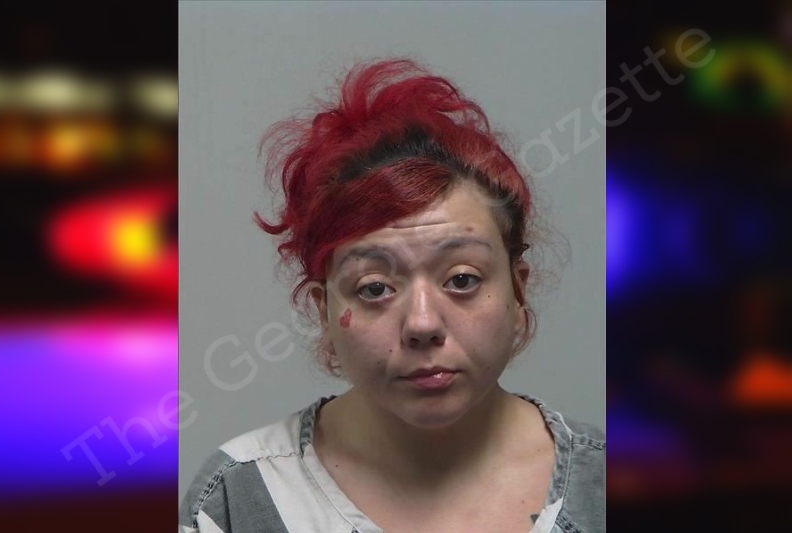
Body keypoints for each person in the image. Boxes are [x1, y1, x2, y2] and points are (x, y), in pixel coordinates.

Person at [179, 58, 605, 533]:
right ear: (324, 312)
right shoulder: (239, 499)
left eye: (462, 279)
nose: (422, 324)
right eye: (375, 288)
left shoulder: (606, 485)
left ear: (518, 289)